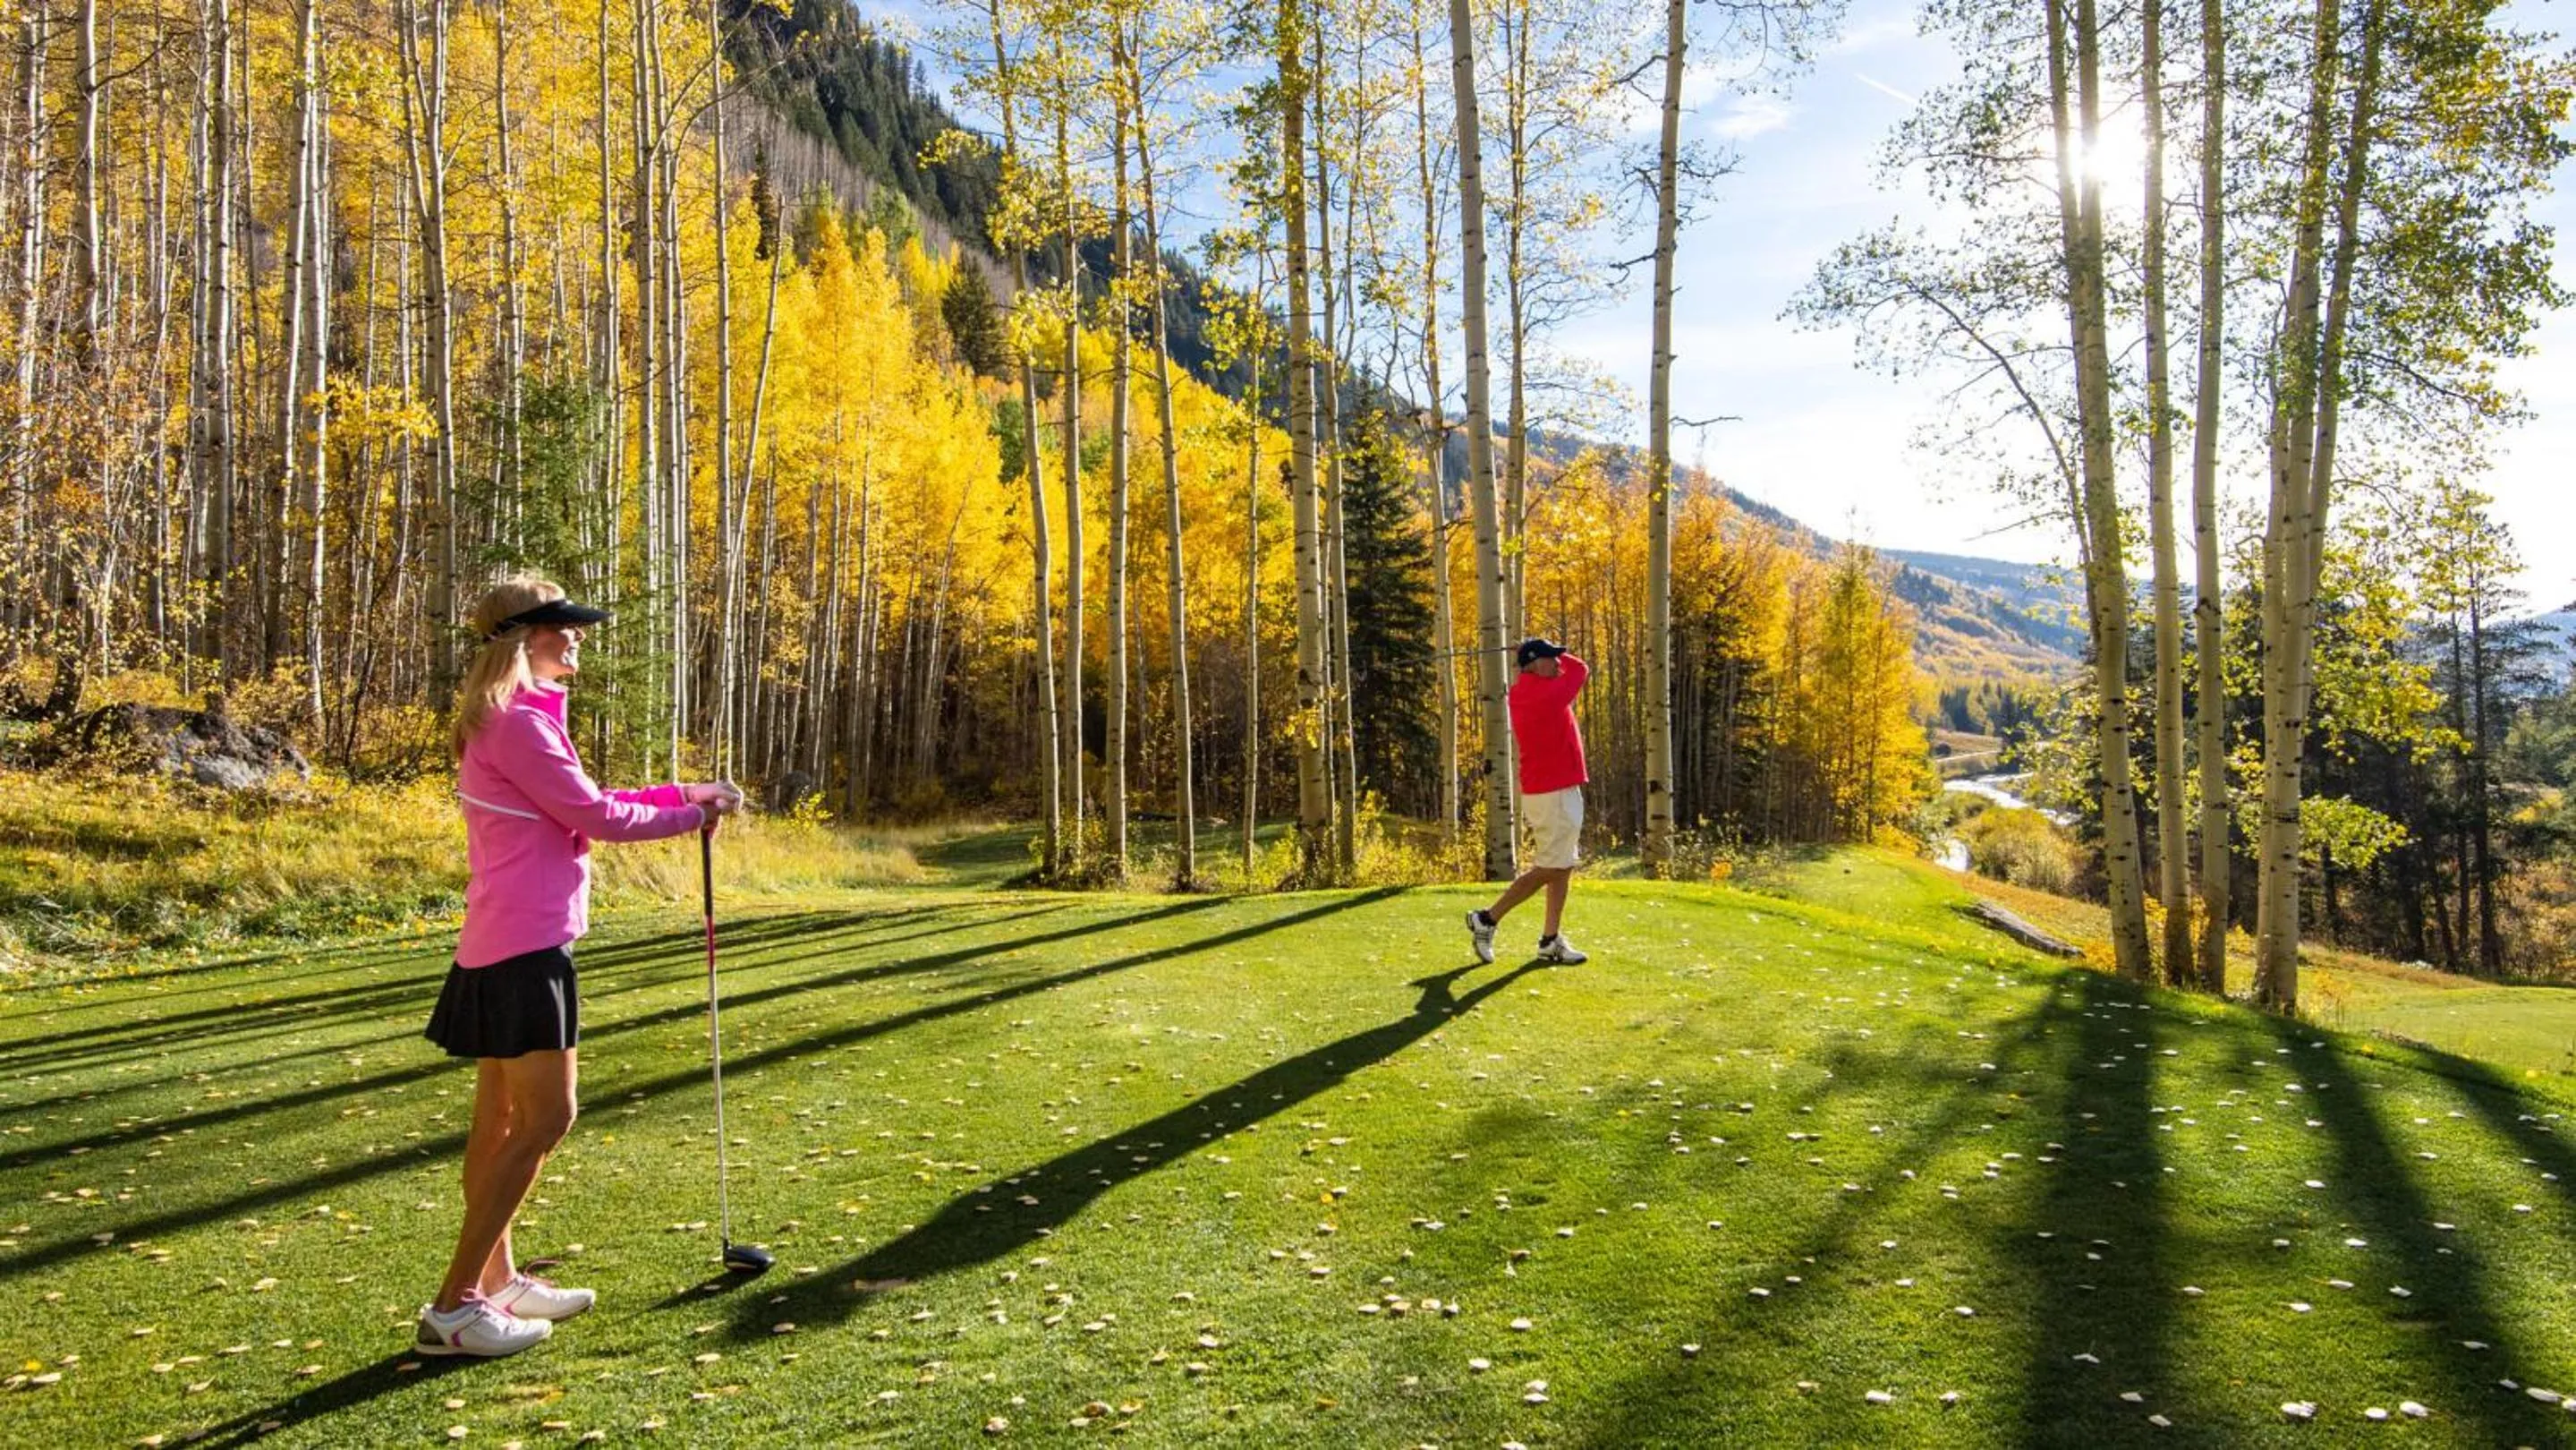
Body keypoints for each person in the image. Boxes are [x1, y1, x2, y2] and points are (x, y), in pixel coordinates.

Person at [416, 577, 743, 1358]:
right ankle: (454, 1307)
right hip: (523, 948)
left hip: (506, 941)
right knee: (546, 1119)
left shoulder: (508, 718)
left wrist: (680, 790)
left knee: (498, 1123)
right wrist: (691, 815)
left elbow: (581, 799)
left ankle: (493, 1280)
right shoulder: (519, 722)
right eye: (563, 627)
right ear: (524, 637)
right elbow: (593, 816)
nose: (578, 637)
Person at [1465, 638, 1590, 966]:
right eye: (1551, 659)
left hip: (1554, 790)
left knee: (1563, 864)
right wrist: (1529, 652)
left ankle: (1550, 941)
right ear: (1535, 665)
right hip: (1553, 793)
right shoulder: (1545, 694)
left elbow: (1569, 669)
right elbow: (1581, 670)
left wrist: (1531, 652)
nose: (1559, 663)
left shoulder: (1525, 690)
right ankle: (1487, 919)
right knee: (1551, 866)